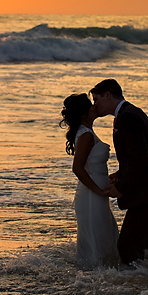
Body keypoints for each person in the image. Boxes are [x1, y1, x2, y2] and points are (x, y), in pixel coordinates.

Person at [90, 79, 148, 264]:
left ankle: (138, 287)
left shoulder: (127, 116)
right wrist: (119, 175)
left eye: (96, 99)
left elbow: (140, 159)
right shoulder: (130, 113)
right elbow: (140, 156)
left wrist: (121, 187)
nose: (95, 105)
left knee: (128, 248)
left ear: (108, 95)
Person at [60, 93, 120, 268]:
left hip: (95, 195)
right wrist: (98, 190)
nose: (95, 107)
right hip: (91, 196)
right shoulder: (85, 135)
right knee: (97, 242)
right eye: (91, 106)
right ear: (83, 114)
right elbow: (77, 168)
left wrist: (108, 179)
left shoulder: (87, 132)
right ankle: (94, 279)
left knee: (104, 237)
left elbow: (91, 167)